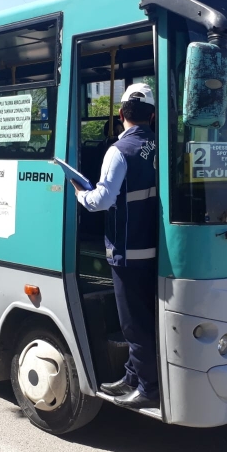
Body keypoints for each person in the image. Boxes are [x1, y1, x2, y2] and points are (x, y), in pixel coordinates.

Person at [72, 83, 159, 410]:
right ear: (151, 115)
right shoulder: (158, 145)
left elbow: (103, 200)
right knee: (145, 316)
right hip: (153, 247)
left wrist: (81, 193)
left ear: (121, 114)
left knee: (133, 323)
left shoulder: (119, 151)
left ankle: (148, 387)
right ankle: (132, 376)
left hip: (127, 249)